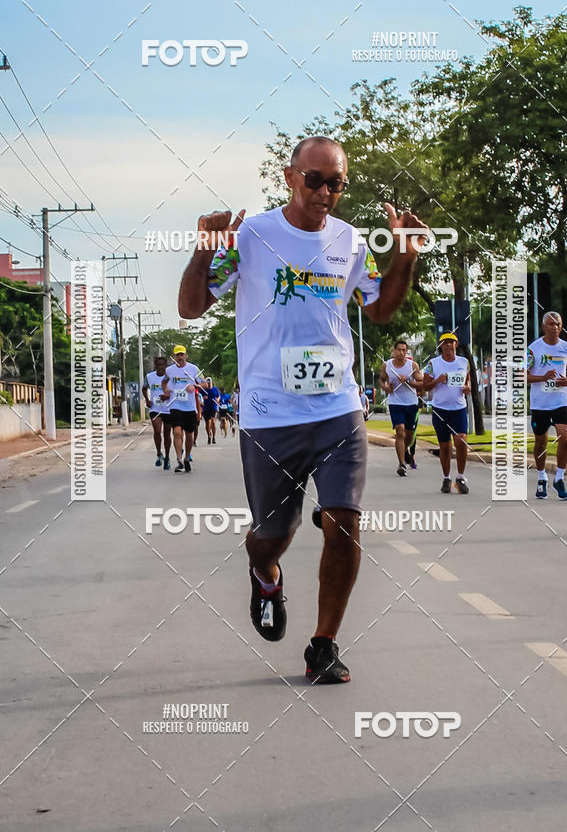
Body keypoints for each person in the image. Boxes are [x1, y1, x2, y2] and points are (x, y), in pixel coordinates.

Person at [178, 135, 426, 683]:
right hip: (271, 414)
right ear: (290, 178)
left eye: (336, 183)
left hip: (338, 406)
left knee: (345, 522)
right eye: (314, 180)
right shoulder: (254, 236)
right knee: (273, 536)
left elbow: (380, 309)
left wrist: (404, 257)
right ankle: (265, 571)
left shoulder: (351, 240)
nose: (325, 192)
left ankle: (323, 644)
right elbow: (192, 308)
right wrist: (204, 248)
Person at [527, 311, 567, 500]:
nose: (555, 327)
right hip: (540, 404)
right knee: (541, 443)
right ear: (543, 327)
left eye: (558, 324)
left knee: (565, 437)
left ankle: (559, 478)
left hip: (560, 401)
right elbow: (523, 375)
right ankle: (542, 478)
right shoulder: (533, 349)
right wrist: (542, 377)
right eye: (551, 324)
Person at [422, 332, 471, 493]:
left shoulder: (464, 362)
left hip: (458, 408)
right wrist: (438, 380)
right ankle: (446, 478)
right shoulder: (433, 364)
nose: (448, 345)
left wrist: (467, 387)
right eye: (445, 342)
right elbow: (425, 386)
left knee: (461, 441)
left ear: (456, 345)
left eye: (451, 342)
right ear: (441, 346)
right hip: (440, 409)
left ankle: (460, 477)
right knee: (445, 447)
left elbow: (467, 380)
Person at [380, 339, 422, 476]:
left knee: (409, 435)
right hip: (395, 403)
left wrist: (408, 381)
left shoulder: (412, 366)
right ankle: (402, 464)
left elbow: (421, 382)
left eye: (404, 350)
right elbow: (382, 380)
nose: (401, 353)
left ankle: (405, 449)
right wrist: (386, 387)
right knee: (400, 431)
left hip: (411, 403)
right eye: (399, 350)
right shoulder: (387, 365)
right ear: (394, 350)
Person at [161, 345, 202, 473]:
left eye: (182, 354)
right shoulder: (170, 370)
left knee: (189, 434)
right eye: (177, 355)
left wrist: (194, 386)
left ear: (186, 355)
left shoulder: (193, 369)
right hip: (175, 404)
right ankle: (179, 459)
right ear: (174, 357)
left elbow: (205, 383)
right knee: (177, 432)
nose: (180, 357)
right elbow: (163, 382)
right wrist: (166, 391)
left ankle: (186, 457)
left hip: (189, 406)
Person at [142, 355, 172, 471]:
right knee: (157, 431)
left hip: (168, 409)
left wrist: (168, 396)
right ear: (155, 366)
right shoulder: (150, 377)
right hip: (155, 408)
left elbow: (174, 390)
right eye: (158, 365)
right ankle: (159, 453)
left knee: (167, 434)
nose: (160, 367)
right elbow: (144, 388)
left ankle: (168, 458)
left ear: (166, 366)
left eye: (163, 365)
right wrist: (147, 399)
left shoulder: (169, 377)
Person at [201, 377, 220, 444]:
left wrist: (217, 399)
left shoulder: (215, 389)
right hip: (206, 407)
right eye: (207, 382)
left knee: (213, 421)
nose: (208, 384)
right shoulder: (203, 390)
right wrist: (203, 398)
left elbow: (218, 396)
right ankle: (209, 436)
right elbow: (199, 396)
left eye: (209, 382)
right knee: (207, 423)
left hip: (214, 407)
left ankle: (214, 437)